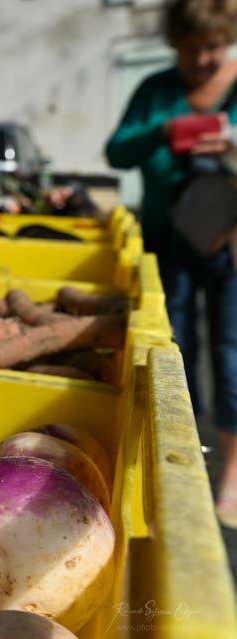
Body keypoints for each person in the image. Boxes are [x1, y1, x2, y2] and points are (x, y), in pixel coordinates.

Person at [105, 0, 237, 526]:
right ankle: (180, 468)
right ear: (175, 45)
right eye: (191, 49)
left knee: (231, 356)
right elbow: (116, 152)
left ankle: (231, 476)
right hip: (169, 238)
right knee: (173, 350)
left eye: (213, 47)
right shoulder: (155, 90)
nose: (203, 58)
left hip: (230, 242)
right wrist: (161, 133)